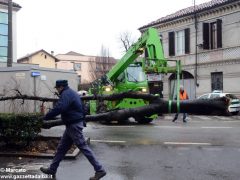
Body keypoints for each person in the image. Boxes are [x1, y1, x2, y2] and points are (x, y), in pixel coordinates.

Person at [40, 80, 106, 180]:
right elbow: (81, 108)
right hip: (72, 124)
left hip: (73, 125)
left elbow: (60, 107)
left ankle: (100, 170)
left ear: (61, 87)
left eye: (57, 88)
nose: (57, 90)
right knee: (61, 148)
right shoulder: (71, 92)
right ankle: (52, 169)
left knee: (83, 147)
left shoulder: (66, 94)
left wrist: (46, 116)